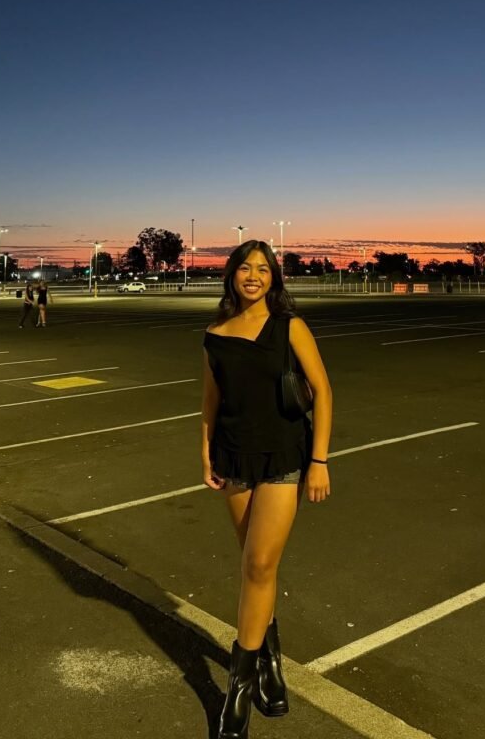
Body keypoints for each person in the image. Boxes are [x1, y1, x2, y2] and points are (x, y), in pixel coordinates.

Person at [202, 240, 332, 739]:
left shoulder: (289, 327)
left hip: (283, 458)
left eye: (263, 269)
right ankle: (270, 663)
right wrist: (206, 450)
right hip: (233, 457)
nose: (253, 276)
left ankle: (237, 690)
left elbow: (323, 391)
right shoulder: (215, 334)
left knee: (258, 566)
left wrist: (318, 461)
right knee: (258, 569)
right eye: (244, 268)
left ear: (274, 278)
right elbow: (210, 399)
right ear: (231, 275)